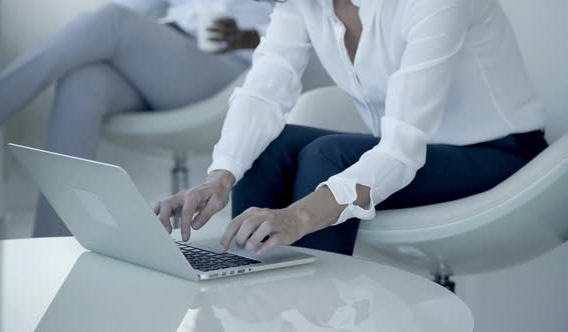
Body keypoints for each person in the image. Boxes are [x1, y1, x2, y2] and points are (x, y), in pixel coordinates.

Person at [155, 0, 549, 256]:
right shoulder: (301, 3)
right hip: (410, 152)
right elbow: (263, 93)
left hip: (501, 155)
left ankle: (319, 314)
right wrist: (218, 179)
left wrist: (297, 217)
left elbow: (400, 150)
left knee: (328, 156)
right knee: (269, 148)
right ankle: (247, 297)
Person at [0, 0, 273, 237]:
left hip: (231, 67)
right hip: (170, 52)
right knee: (82, 83)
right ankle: (51, 242)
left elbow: (303, 23)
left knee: (112, 20)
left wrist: (252, 35)